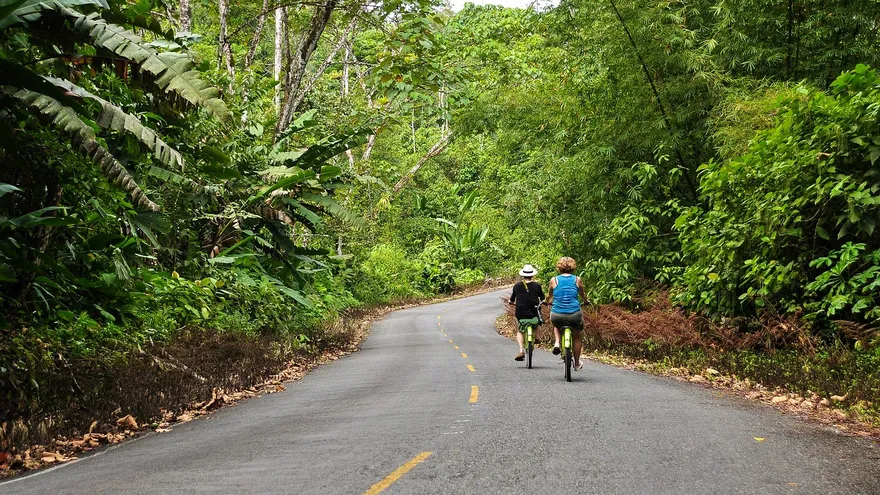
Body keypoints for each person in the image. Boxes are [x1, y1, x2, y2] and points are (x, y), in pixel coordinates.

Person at [545, 257, 588, 371]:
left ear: (559, 267)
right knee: (577, 337)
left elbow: (549, 295)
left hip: (557, 314)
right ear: (573, 267)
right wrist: (586, 301)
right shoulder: (577, 280)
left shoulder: (554, 280)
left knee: (556, 325)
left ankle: (557, 343)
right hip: (574, 313)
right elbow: (582, 294)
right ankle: (577, 363)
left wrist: (546, 301)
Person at [508, 264, 545, 361]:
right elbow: (543, 298)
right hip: (534, 312)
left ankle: (521, 350)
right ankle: (536, 336)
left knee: (520, 330)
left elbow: (512, 299)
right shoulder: (537, 285)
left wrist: (510, 302)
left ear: (523, 275)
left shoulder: (517, 286)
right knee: (537, 320)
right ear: (532, 275)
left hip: (521, 313)